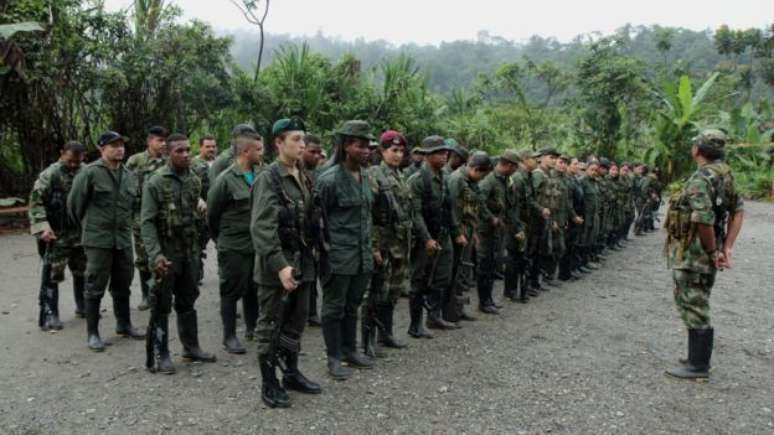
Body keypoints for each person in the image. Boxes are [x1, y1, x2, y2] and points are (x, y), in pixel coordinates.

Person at [251, 117, 321, 407]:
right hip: (276, 267)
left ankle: (291, 372)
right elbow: (261, 227)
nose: (302, 144)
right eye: (295, 139)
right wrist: (280, 266)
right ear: (278, 143)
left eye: (303, 139)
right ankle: (269, 384)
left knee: (296, 321)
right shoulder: (269, 178)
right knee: (270, 325)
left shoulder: (303, 173)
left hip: (302, 262)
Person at [664, 129, 744, 380]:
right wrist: (726, 247)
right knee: (697, 299)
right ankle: (695, 358)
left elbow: (704, 219)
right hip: (706, 252)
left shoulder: (701, 179)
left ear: (697, 150)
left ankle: (698, 366)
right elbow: (738, 211)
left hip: (695, 254)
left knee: (692, 302)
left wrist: (712, 251)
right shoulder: (725, 175)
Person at [141, 133, 216, 373]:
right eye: (179, 151)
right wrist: (155, 255)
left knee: (188, 299)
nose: (185, 155)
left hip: (189, 252)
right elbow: (147, 222)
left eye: (187, 150)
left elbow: (197, 214)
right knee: (161, 303)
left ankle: (190, 347)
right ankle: (160, 353)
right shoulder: (155, 182)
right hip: (167, 253)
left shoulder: (193, 179)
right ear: (167, 154)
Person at [68, 131, 145, 351]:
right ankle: (93, 333)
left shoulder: (129, 175)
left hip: (122, 238)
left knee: (123, 283)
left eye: (121, 145)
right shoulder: (90, 173)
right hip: (98, 239)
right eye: (113, 145)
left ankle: (124, 325)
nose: (119, 149)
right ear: (102, 149)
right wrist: (88, 228)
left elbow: (133, 206)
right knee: (94, 286)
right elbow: (74, 206)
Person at [316, 120, 376, 379]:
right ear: (346, 146)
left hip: (362, 254)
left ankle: (350, 349)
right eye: (360, 146)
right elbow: (316, 222)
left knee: (353, 304)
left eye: (368, 147)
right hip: (338, 255)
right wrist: (324, 253)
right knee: (334, 307)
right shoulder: (329, 179)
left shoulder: (365, 176)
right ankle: (334, 357)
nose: (366, 151)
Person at [207, 130, 264, 353]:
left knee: (253, 287)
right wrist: (221, 239)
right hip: (233, 245)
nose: (262, 153)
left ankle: (252, 328)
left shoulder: (261, 174)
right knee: (230, 290)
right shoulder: (225, 179)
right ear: (245, 151)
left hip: (255, 244)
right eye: (258, 150)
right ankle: (229, 336)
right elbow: (212, 214)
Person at [361, 130, 413, 358]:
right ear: (382, 151)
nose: (398, 155)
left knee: (392, 292)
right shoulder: (374, 174)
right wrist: (373, 247)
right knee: (375, 293)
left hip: (399, 244)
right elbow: (369, 214)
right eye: (393, 150)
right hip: (382, 244)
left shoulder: (400, 175)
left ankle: (386, 333)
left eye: (401, 151)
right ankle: (367, 341)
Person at [29, 141, 88, 330]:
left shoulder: (86, 172)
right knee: (53, 274)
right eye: (69, 161)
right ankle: (50, 313)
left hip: (80, 233)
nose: (73, 165)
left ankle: (83, 306)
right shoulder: (50, 174)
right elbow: (36, 203)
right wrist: (43, 228)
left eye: (77, 162)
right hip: (56, 233)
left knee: (83, 271)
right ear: (62, 153)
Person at [407, 136, 459, 337]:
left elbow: (449, 208)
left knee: (442, 277)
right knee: (419, 280)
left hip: (442, 234)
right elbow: (415, 213)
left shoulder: (445, 177)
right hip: (424, 237)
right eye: (439, 152)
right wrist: (427, 238)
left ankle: (434, 315)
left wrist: (456, 232)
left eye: (445, 152)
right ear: (428, 155)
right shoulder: (418, 180)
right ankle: (415, 324)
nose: (444, 155)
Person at [126, 126, 168, 310]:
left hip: (166, 216)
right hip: (141, 216)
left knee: (164, 255)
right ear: (149, 141)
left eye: (165, 140)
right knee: (143, 258)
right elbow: (125, 187)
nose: (163, 144)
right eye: (159, 140)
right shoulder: (136, 161)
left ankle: (163, 293)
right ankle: (145, 295)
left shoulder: (169, 160)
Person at [447, 151, 491, 319]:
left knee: (462, 272)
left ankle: (458, 309)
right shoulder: (456, 180)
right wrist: (458, 233)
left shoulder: (472, 182)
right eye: (482, 173)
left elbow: (475, 208)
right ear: (476, 169)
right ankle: (450, 312)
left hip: (468, 231)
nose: (482, 178)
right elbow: (451, 210)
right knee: (454, 273)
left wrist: (474, 232)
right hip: (457, 233)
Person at [477, 150, 520, 314]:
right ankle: (483, 301)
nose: (515, 171)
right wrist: (490, 218)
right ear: (508, 165)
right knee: (485, 266)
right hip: (486, 230)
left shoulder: (504, 181)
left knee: (493, 265)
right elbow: (479, 202)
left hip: (498, 231)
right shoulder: (489, 181)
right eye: (514, 167)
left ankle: (488, 300)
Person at [508, 149, 541, 302]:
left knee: (522, 257)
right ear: (525, 159)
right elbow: (513, 206)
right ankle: (511, 290)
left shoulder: (528, 176)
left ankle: (519, 289)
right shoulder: (518, 178)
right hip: (517, 223)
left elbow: (529, 201)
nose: (537, 161)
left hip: (526, 223)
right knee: (514, 257)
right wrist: (517, 227)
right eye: (534, 158)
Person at [301, 134, 324, 327]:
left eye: (319, 152)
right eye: (312, 152)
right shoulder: (294, 173)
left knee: (312, 272)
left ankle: (311, 311)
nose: (317, 156)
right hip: (296, 232)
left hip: (314, 232)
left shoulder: (319, 174)